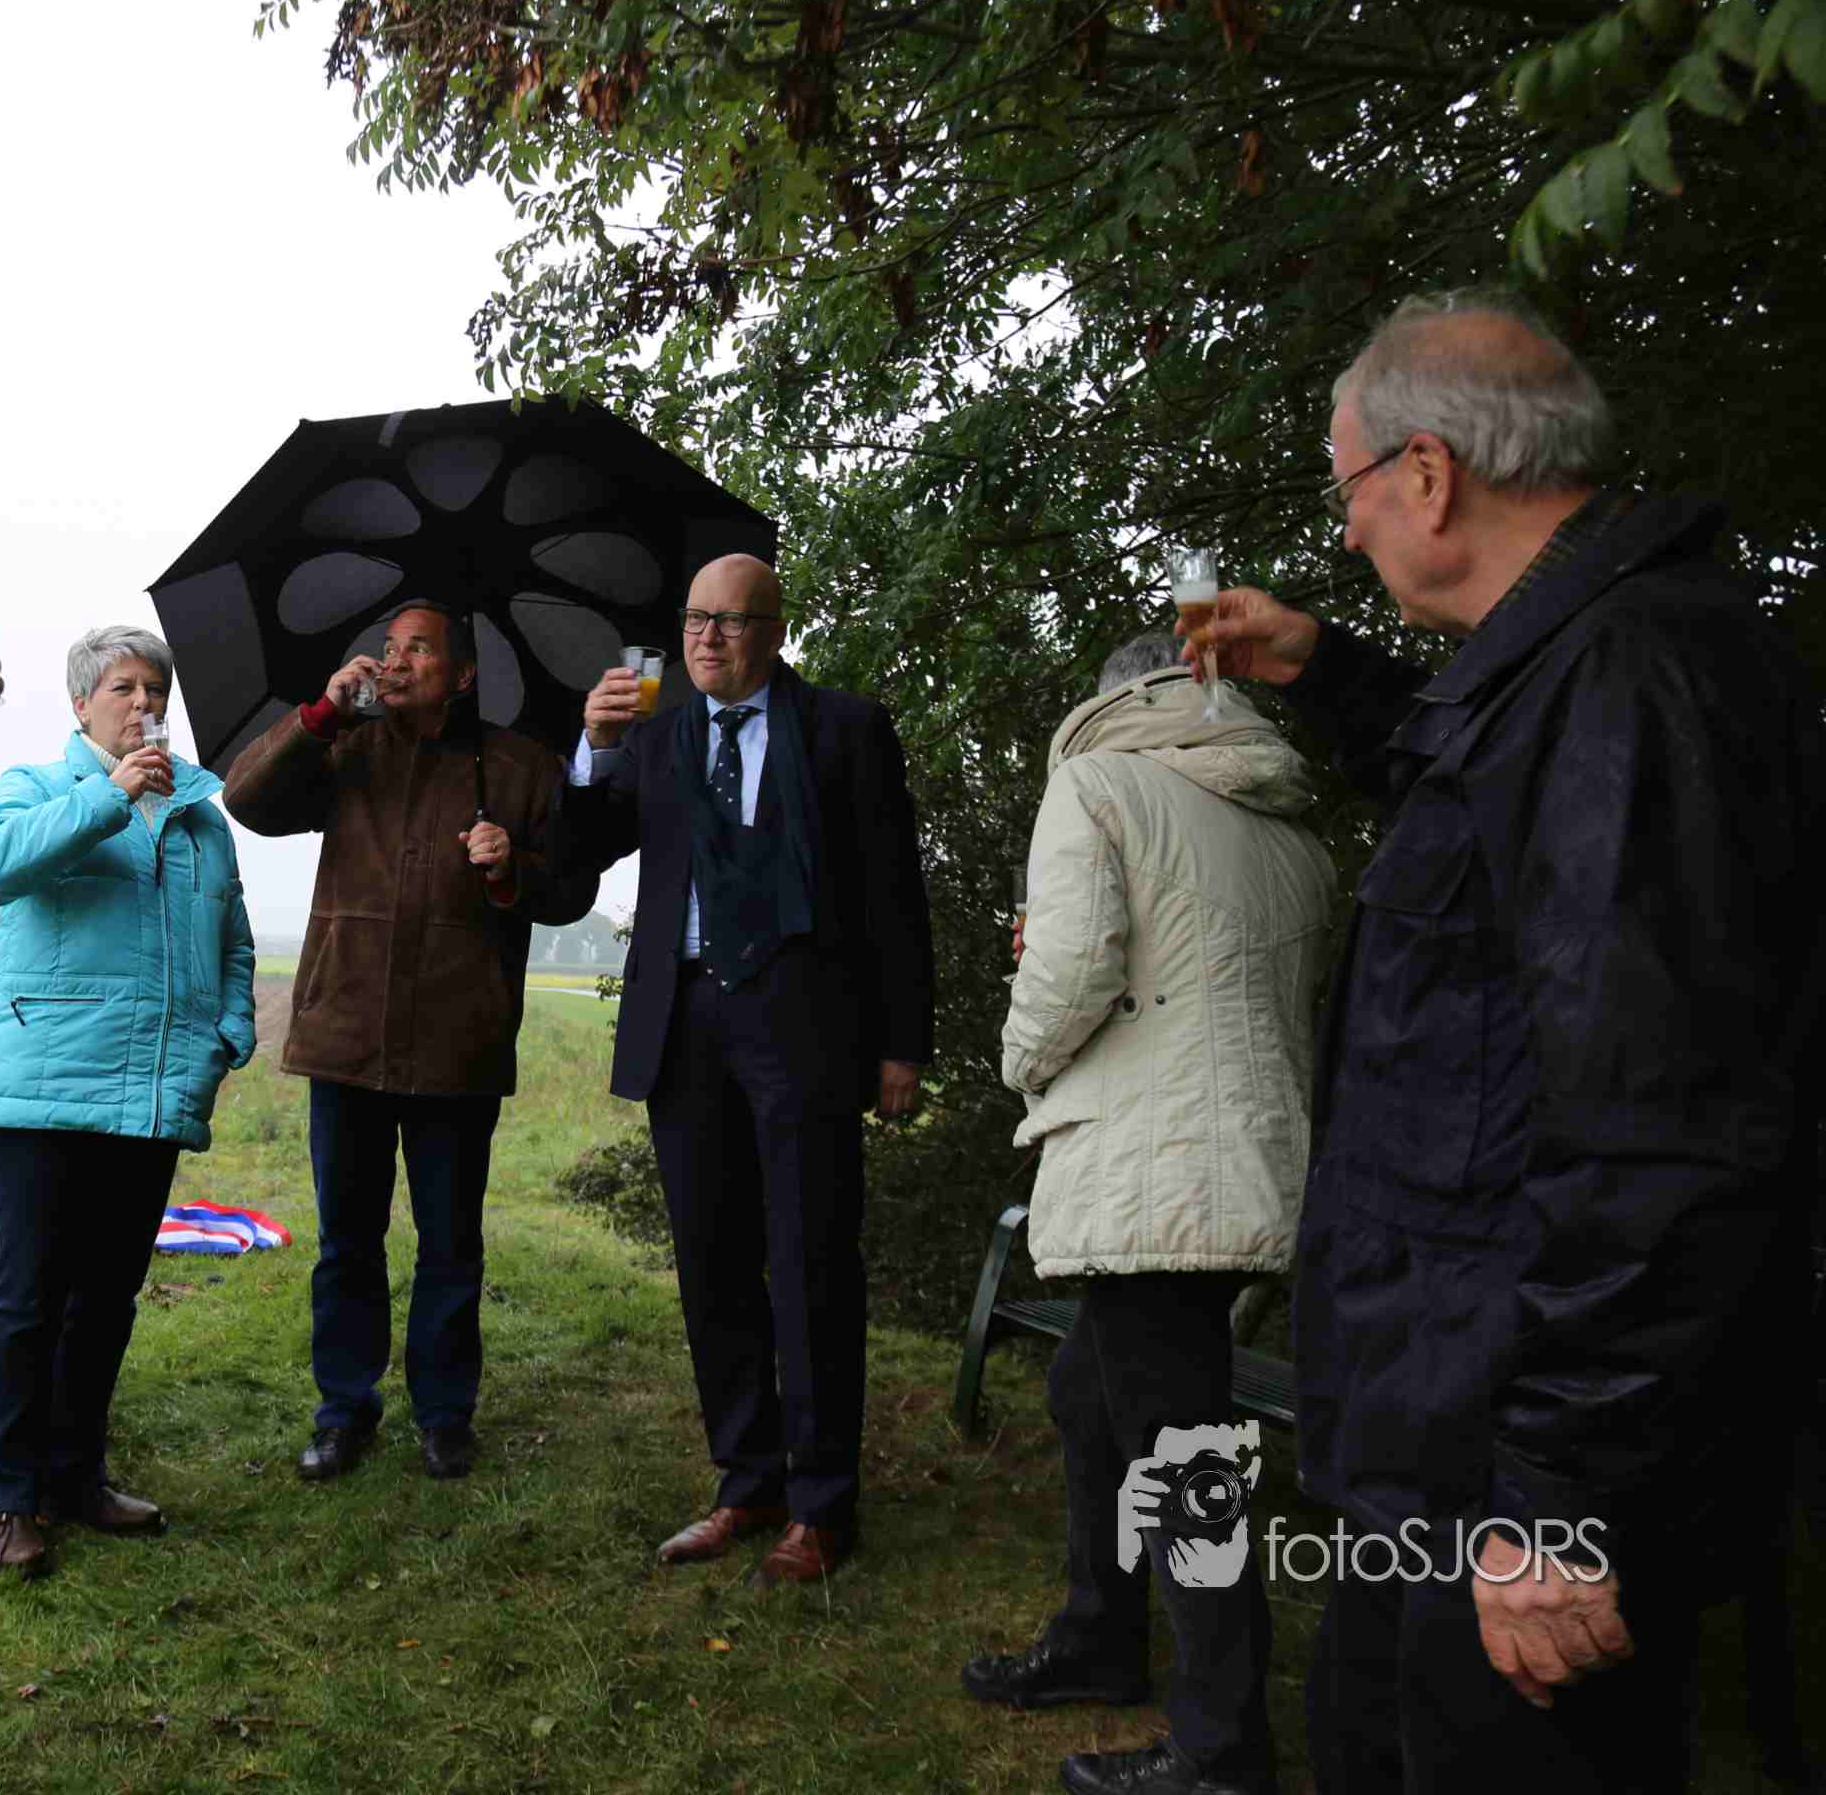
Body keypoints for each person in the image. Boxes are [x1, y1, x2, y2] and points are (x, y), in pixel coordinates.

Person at [1188, 290, 1826, 1795]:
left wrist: (1557, 1499)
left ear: (1427, 474)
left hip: (1514, 1472)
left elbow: (1663, 1137)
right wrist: (1325, 669)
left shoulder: (1638, 682)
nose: (1346, 529)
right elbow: (1477, 798)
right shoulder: (1570, 666)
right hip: (1448, 1432)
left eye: (1348, 488)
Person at [958, 634, 1337, 1795]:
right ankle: (1100, 1637)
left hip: (1154, 1169)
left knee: (1181, 1455)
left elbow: (1074, 971)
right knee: (1090, 1391)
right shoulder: (1291, 833)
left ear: (1118, 699)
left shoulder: (1099, 780)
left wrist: (1021, 1059)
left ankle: (1223, 1749)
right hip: (1241, 1168)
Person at [561, 553, 934, 1587]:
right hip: (683, 1020)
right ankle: (748, 1481)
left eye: (729, 622)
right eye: (694, 619)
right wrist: (594, 748)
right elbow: (580, 851)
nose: (706, 638)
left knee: (812, 1259)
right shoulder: (660, 735)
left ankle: (822, 1505)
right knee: (711, 1258)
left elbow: (893, 891)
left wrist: (902, 1043)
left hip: (801, 1020)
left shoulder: (845, 729)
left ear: (774, 631)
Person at [223, 600, 596, 1482]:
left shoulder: (521, 766)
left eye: (417, 650)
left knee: (450, 1245)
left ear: (461, 674)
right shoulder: (344, 747)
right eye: (387, 648)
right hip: (345, 1034)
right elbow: (246, 799)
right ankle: (343, 1412)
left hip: (458, 1043)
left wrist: (511, 868)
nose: (393, 662)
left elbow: (571, 889)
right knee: (346, 1243)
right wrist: (321, 713)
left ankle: (444, 1415)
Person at [0, 626, 257, 1579]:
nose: (145, 704)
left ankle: (76, 1475)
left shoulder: (201, 815)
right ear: (82, 703)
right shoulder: (38, 787)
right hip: (44, 1089)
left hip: (154, 1091)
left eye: (155, 689)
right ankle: (7, 1496)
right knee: (27, 1300)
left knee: (105, 1301)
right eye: (124, 688)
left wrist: (228, 1032)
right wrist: (111, 794)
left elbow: (234, 937)